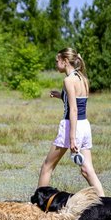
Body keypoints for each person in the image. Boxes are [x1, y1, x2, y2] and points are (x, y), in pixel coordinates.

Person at [38, 48, 105, 197]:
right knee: (87, 170)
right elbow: (78, 102)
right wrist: (61, 95)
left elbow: (73, 109)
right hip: (84, 125)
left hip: (71, 126)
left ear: (65, 61)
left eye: (57, 61)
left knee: (47, 166)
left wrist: (72, 137)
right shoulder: (82, 78)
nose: (56, 64)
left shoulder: (68, 80)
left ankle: (38, 203)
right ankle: (105, 203)